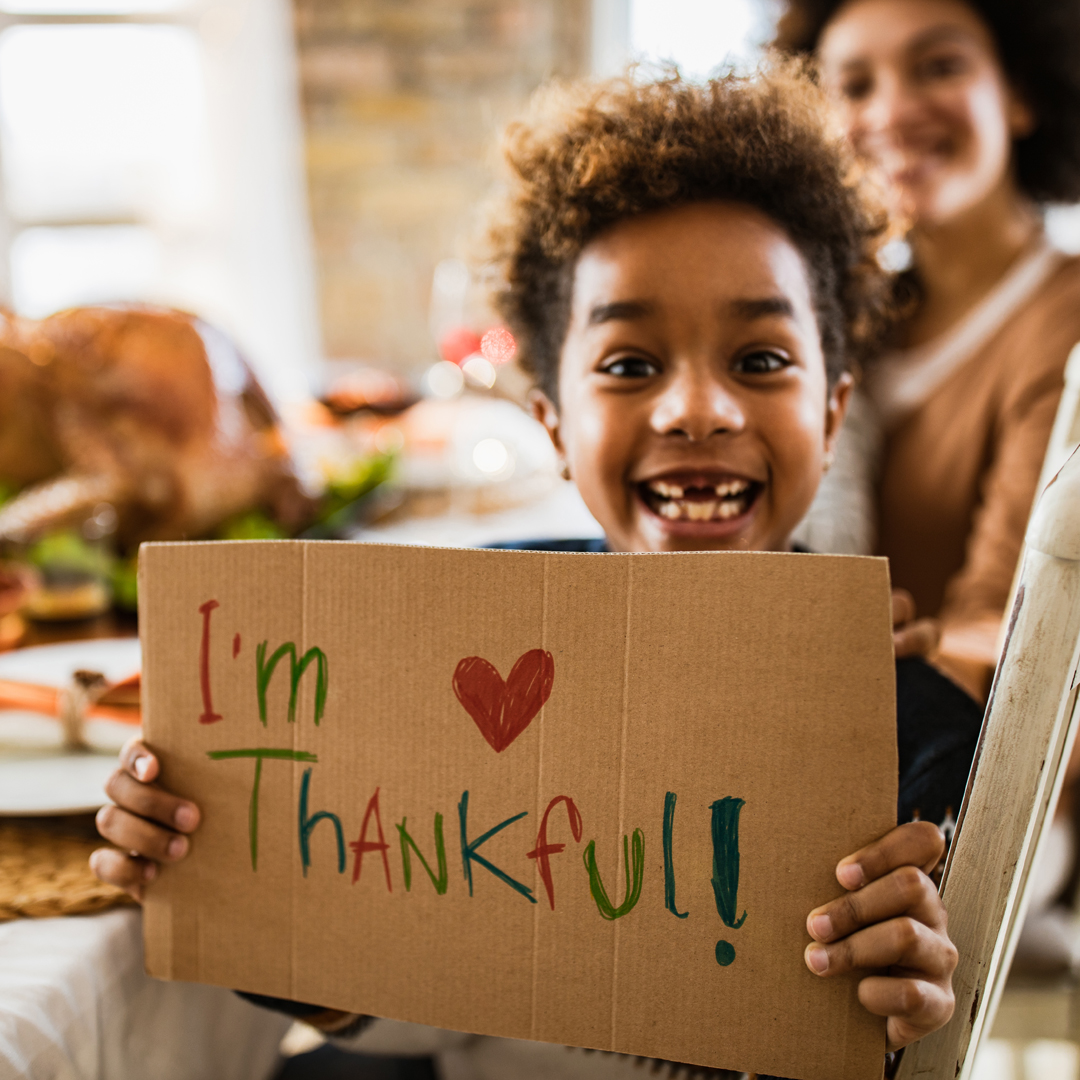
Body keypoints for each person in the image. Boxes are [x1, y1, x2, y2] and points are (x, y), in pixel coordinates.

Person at [93, 64, 977, 1080]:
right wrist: (236, 859)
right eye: (630, 365)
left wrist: (918, 977)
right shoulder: (450, 649)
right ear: (552, 425)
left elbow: (938, 993)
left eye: (761, 361)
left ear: (831, 410)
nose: (699, 409)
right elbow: (421, 1007)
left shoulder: (911, 734)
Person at [778, 0, 1080, 701]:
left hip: (966, 785)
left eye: (939, 68)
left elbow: (1011, 625)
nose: (891, 113)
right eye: (854, 87)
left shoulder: (1065, 323)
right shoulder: (845, 316)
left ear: (1021, 95)